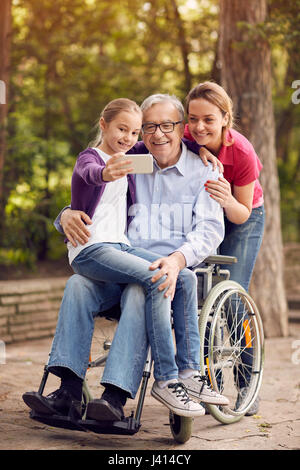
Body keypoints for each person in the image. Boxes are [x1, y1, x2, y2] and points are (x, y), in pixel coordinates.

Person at [23, 93, 227, 423]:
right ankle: (68, 391)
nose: (158, 134)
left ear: (182, 128)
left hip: (164, 274)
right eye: (149, 127)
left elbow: (209, 232)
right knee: (78, 285)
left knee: (141, 287)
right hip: (114, 262)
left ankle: (115, 398)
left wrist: (176, 261)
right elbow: (90, 186)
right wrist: (65, 215)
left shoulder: (203, 170)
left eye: (168, 125)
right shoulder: (131, 158)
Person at [183, 81, 265, 414]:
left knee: (231, 297)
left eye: (208, 120)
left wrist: (229, 197)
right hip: (201, 216)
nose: (199, 127)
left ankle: (247, 381)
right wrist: (199, 149)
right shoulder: (185, 135)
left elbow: (242, 212)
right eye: (193, 119)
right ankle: (194, 375)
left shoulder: (242, 152)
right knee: (195, 291)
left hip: (242, 216)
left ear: (225, 119)